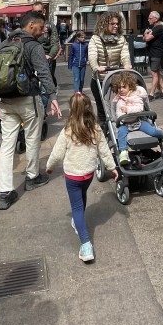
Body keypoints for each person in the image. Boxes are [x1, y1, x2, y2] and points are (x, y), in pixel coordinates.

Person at [0, 11, 62, 209]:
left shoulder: (3, 44)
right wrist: (53, 97)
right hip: (28, 99)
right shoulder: (33, 46)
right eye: (41, 26)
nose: (44, 29)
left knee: (7, 145)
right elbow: (45, 73)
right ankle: (32, 177)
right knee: (31, 139)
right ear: (30, 26)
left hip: (5, 101)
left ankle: (5, 192)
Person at [45, 93, 118, 263]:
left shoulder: (68, 131)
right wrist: (112, 168)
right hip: (88, 175)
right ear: (88, 108)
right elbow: (105, 151)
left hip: (72, 176)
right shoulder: (95, 129)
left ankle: (86, 245)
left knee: (76, 208)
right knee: (82, 197)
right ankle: (78, 224)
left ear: (71, 109)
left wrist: (49, 168)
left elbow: (56, 154)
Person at [111, 71, 163, 164]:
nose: (121, 90)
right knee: (121, 133)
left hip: (139, 121)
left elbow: (139, 108)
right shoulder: (118, 99)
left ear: (130, 86)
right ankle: (123, 152)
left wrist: (127, 109)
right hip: (125, 123)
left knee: (152, 131)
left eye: (123, 87)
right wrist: (122, 116)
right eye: (119, 88)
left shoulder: (136, 95)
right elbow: (118, 113)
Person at [32, 2, 60, 84]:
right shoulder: (30, 25)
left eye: (39, 11)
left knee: (48, 80)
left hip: (47, 57)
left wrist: (50, 55)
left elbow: (55, 43)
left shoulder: (50, 26)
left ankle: (52, 92)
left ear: (43, 11)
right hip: (34, 57)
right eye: (35, 12)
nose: (38, 14)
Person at [143, 10, 163, 98]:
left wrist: (146, 34)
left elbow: (146, 38)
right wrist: (146, 35)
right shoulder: (154, 28)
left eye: (150, 18)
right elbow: (145, 38)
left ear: (156, 19)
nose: (148, 19)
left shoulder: (159, 28)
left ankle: (151, 93)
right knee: (157, 73)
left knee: (154, 73)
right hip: (152, 53)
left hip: (156, 54)